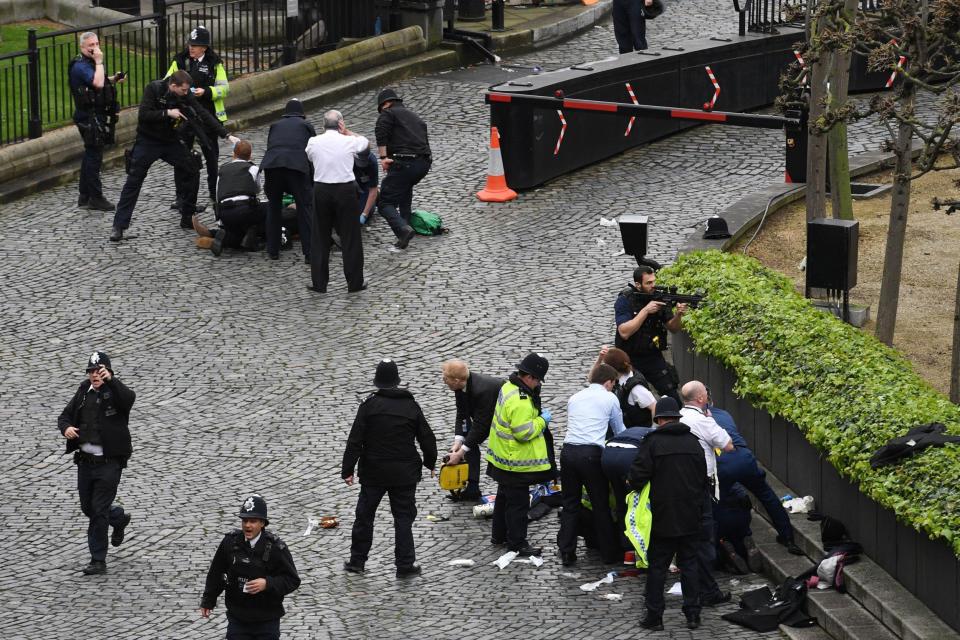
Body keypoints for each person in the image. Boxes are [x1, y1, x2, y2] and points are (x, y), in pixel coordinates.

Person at [110, 70, 236, 242]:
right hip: (148, 140)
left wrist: (226, 134)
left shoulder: (184, 94)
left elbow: (202, 113)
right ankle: (119, 226)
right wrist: (167, 113)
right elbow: (144, 115)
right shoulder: (154, 89)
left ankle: (187, 216)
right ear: (173, 85)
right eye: (184, 90)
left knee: (192, 168)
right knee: (134, 180)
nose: (187, 94)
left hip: (170, 141)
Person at [341, 359, 437, 576]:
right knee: (403, 518)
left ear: (377, 382)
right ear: (397, 381)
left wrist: (347, 470)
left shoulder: (368, 406)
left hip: (373, 472)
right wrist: (430, 462)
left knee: (365, 516)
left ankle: (357, 561)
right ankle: (404, 565)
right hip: (404, 474)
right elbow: (427, 438)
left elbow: (355, 440)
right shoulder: (411, 406)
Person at [462, 353, 555, 557]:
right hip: (516, 462)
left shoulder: (508, 387)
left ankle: (499, 535)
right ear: (529, 377)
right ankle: (517, 543)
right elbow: (524, 433)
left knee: (504, 496)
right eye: (538, 380)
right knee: (518, 505)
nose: (538, 384)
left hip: (502, 458)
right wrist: (542, 420)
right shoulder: (521, 400)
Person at [629, 397, 707, 631]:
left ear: (660, 419)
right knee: (690, 564)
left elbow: (637, 476)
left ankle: (655, 616)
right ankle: (693, 614)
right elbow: (703, 477)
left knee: (657, 567)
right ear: (677, 418)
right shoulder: (694, 443)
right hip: (691, 514)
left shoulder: (652, 443)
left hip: (663, 515)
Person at [57, 351, 135, 575]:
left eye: (99, 371)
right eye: (91, 371)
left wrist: (112, 380)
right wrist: (66, 429)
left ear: (107, 372)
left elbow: (129, 399)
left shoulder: (116, 393)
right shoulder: (83, 391)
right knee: (88, 508)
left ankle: (98, 559)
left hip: (109, 463)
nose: (94, 375)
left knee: (99, 509)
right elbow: (64, 416)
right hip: (85, 462)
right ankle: (118, 518)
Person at [707, 388, 802, 556]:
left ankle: (721, 544)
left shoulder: (695, 420)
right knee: (765, 493)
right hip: (744, 457)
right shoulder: (724, 413)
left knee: (716, 503)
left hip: (722, 463)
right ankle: (787, 537)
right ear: (711, 401)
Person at [200, 495, 301, 639]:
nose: (247, 525)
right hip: (238, 619)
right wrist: (208, 601)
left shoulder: (276, 548)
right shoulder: (230, 543)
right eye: (245, 520)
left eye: (253, 521)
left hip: (267, 620)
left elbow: (292, 580)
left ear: (262, 523)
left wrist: (267, 583)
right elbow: (216, 573)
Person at [556, 363, 625, 566]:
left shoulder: (575, 397)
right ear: (608, 382)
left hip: (568, 452)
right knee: (600, 504)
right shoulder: (610, 398)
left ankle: (567, 550)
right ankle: (608, 553)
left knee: (570, 503)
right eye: (613, 384)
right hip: (591, 455)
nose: (613, 387)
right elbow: (619, 429)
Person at [678, 380, 735, 608]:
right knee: (704, 540)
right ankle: (708, 591)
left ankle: (698, 587)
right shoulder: (703, 420)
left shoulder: (677, 416)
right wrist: (711, 420)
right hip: (702, 487)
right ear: (701, 399)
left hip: (679, 487)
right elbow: (727, 444)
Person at [304, 110, 370, 293]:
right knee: (351, 237)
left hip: (322, 189)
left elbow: (309, 156)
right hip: (345, 190)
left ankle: (319, 283)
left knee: (319, 237)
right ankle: (354, 283)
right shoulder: (349, 141)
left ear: (323, 125)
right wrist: (348, 132)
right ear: (340, 124)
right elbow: (365, 143)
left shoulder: (313, 142)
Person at [165, 25, 229, 204]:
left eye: (195, 44)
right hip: (184, 118)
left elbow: (224, 88)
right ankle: (181, 196)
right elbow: (167, 82)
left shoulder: (214, 63)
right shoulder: (180, 61)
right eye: (190, 44)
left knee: (211, 158)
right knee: (182, 157)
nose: (191, 47)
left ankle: (214, 193)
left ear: (205, 47)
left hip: (207, 116)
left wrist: (207, 91)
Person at [69, 31, 124, 212]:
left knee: (90, 153)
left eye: (96, 44)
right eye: (90, 45)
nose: (95, 48)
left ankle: (84, 196)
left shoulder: (89, 64)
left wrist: (113, 79)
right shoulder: (80, 66)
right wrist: (99, 62)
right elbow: (97, 84)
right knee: (94, 156)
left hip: (94, 115)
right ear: (82, 48)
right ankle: (95, 197)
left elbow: (98, 81)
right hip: (89, 118)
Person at [614, 266, 687, 404]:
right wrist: (646, 311)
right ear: (637, 284)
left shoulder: (658, 297)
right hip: (629, 359)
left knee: (673, 396)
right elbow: (624, 332)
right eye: (648, 283)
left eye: (654, 281)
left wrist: (678, 315)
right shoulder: (626, 300)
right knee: (627, 400)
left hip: (652, 356)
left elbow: (673, 328)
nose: (653, 286)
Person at [374, 88, 431, 249]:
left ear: (385, 104)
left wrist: (384, 158)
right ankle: (405, 231)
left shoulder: (388, 113)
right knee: (405, 189)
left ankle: (403, 230)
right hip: (423, 164)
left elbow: (381, 131)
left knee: (385, 202)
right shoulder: (415, 117)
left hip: (404, 162)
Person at [440, 359, 503, 501]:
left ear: (456, 380)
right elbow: (462, 414)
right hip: (486, 418)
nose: (444, 381)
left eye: (445, 378)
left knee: (470, 443)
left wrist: (461, 451)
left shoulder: (482, 390)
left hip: (502, 420)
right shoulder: (460, 385)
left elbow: (481, 427)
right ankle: (473, 488)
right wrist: (458, 441)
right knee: (467, 440)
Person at [261, 98, 315, 262]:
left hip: (273, 166)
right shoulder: (306, 126)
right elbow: (312, 153)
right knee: (304, 209)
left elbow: (271, 146)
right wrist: (311, 181)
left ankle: (273, 250)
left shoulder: (275, 125)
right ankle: (309, 253)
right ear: (302, 113)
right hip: (296, 168)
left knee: (274, 207)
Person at [210, 139, 268, 256]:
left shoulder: (222, 169)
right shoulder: (253, 168)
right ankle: (252, 238)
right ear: (250, 155)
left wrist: (220, 221)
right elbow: (257, 189)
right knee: (267, 208)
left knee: (236, 228)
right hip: (245, 210)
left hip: (224, 212)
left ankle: (225, 234)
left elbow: (218, 195)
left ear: (234, 154)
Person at [592, 345, 657, 428]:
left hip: (636, 433)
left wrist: (653, 429)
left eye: (605, 366)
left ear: (612, 369)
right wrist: (600, 359)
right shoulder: (620, 378)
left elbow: (654, 406)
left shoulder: (635, 388)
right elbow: (593, 379)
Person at [354, 147, 379, 227]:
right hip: (350, 185)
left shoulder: (372, 162)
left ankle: (377, 197)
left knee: (363, 215)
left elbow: (373, 189)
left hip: (365, 187)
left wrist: (364, 215)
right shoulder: (345, 158)